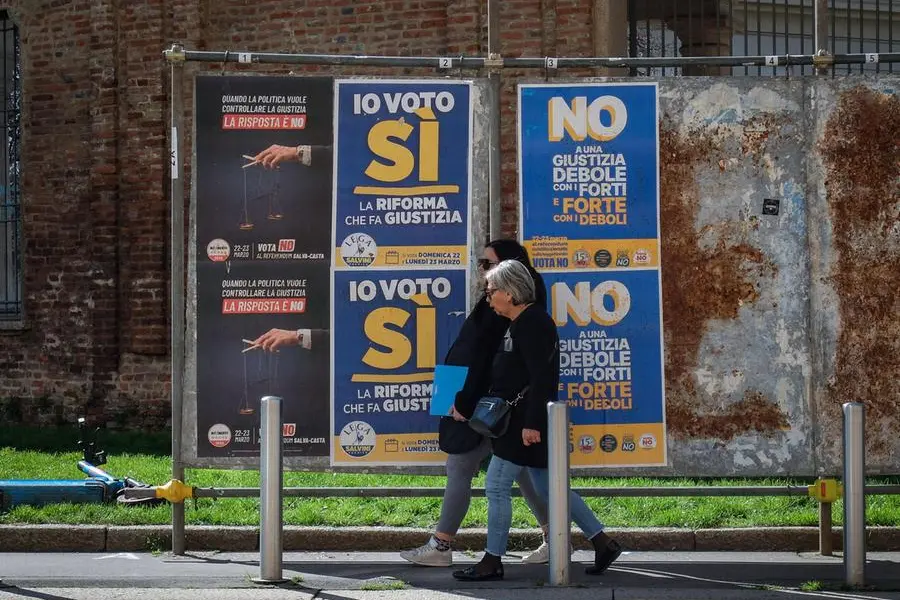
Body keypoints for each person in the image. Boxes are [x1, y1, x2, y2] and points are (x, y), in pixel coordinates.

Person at [451, 260, 621, 582]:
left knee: (496, 485)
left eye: (492, 291)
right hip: (522, 420)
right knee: (548, 486)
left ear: (511, 292)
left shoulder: (533, 323)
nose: (489, 298)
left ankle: (492, 560)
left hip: (522, 423)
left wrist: (532, 424)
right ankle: (602, 542)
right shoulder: (519, 322)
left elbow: (543, 377)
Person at [400, 240, 555, 567]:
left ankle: (442, 546)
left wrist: (465, 402)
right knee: (522, 470)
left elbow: (487, 360)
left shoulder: (506, 306)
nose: (482, 270)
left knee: (461, 464)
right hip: (476, 394)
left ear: (509, 273)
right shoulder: (499, 303)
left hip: (482, 401)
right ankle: (558, 538)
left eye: (488, 264)